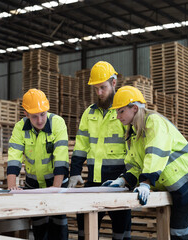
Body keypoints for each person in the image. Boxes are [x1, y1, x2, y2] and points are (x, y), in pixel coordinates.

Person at [104, 85, 188, 240]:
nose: (117, 116)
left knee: (180, 232)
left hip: (186, 179)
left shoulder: (154, 122)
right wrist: (123, 180)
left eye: (121, 110)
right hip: (172, 180)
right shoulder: (133, 132)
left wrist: (145, 182)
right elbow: (136, 164)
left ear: (135, 108)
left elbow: (155, 154)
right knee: (176, 231)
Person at [69, 61, 131, 240]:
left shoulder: (123, 113)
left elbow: (133, 150)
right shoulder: (89, 113)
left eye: (102, 87)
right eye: (96, 89)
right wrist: (75, 172)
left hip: (119, 183)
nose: (99, 93)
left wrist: (129, 180)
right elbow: (81, 145)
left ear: (113, 83)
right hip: (94, 182)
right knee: (84, 228)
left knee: (121, 232)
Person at [7, 88, 70, 240]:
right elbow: (14, 157)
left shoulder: (57, 123)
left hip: (57, 182)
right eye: (34, 117)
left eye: (43, 114)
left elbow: (61, 159)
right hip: (33, 185)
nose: (40, 120)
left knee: (58, 227)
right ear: (26, 114)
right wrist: (11, 187)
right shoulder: (19, 128)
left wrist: (55, 189)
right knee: (40, 229)